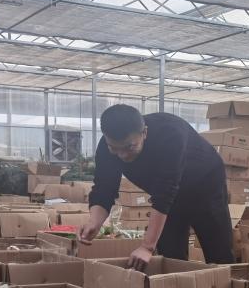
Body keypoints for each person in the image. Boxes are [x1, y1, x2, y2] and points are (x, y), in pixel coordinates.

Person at [82, 105, 236, 270]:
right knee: (170, 255)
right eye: (114, 148)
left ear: (144, 133)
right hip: (169, 195)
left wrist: (147, 246)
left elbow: (165, 190)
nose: (122, 155)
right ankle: (176, 284)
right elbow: (104, 187)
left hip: (205, 184)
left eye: (129, 147)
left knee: (219, 252)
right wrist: (94, 222)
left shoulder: (170, 134)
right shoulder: (106, 147)